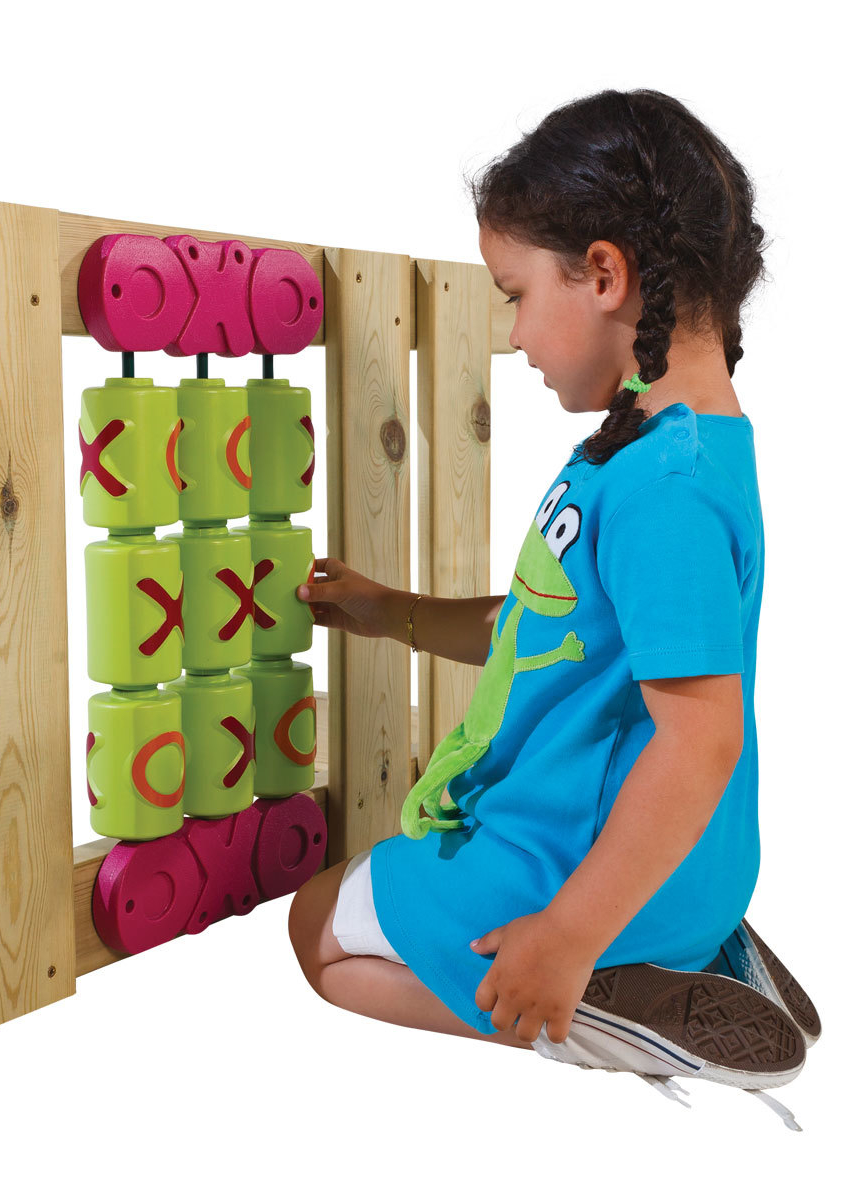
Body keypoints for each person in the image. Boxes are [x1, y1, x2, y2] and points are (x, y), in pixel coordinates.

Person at [286, 88, 818, 1123]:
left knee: (316, 935)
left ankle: (603, 1010)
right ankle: (688, 949)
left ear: (606, 275)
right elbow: (549, 630)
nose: (517, 333)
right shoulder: (669, 447)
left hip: (577, 875)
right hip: (691, 871)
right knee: (356, 904)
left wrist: (568, 935)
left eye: (517, 293)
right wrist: (394, 611)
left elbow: (700, 738)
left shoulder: (663, 488)